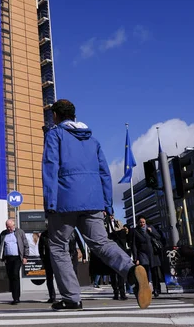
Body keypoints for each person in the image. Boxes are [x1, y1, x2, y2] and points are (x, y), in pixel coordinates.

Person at [42, 99, 151, 310]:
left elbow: (50, 168)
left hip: (65, 201)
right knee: (101, 243)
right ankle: (130, 271)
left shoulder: (55, 135)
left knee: (58, 246)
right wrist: (108, 205)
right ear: (73, 116)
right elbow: (104, 173)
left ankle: (72, 298)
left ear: (55, 116)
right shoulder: (93, 141)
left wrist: (50, 201)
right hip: (93, 201)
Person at [0, 219, 30, 304]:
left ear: (14, 225)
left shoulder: (20, 232)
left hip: (17, 257)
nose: (9, 229)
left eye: (10, 227)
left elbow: (25, 244)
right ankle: (14, 295)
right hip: (8, 258)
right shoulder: (3, 234)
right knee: (10, 276)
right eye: (7, 227)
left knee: (15, 274)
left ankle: (16, 297)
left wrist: (25, 256)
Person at [131, 215, 163, 298]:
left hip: (153, 253)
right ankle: (145, 289)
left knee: (154, 272)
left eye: (143, 222)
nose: (142, 224)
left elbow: (158, 237)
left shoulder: (150, 228)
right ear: (138, 223)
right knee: (144, 271)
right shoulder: (135, 231)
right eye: (140, 222)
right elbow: (134, 245)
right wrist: (136, 258)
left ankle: (156, 289)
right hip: (142, 253)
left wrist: (151, 231)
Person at [106, 215, 129, 300]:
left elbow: (122, 234)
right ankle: (116, 292)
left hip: (119, 250)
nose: (111, 216)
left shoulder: (118, 222)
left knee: (120, 274)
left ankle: (122, 293)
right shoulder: (105, 224)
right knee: (112, 274)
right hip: (110, 251)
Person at [38, 227, 56, 303]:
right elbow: (40, 248)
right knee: (49, 279)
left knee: (61, 278)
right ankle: (52, 296)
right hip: (48, 259)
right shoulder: (44, 235)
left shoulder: (58, 233)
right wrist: (43, 258)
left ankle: (65, 295)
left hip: (58, 259)